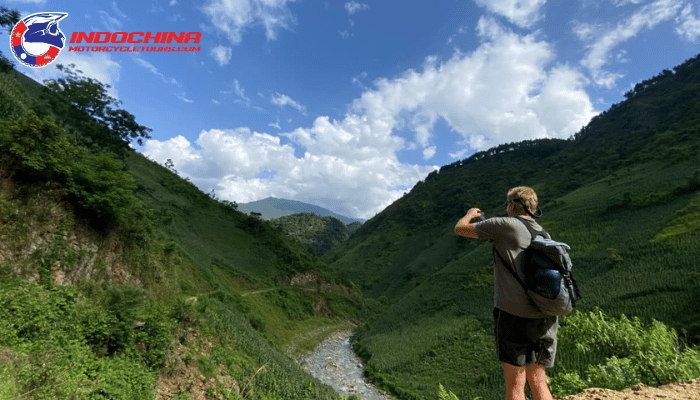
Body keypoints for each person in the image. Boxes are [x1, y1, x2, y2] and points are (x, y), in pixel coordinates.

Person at [454, 186, 557, 400]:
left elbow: (461, 229)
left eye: (507, 204)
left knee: (515, 384)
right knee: (538, 379)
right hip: (546, 314)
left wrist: (471, 215)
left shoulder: (504, 224)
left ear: (511, 205)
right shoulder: (542, 232)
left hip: (513, 315)